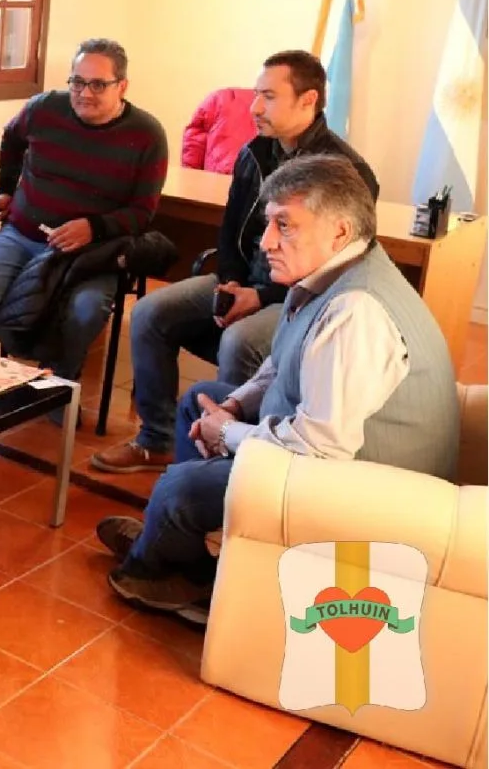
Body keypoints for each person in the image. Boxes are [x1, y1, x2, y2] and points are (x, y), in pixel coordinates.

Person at [96, 154, 459, 617]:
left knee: (179, 488)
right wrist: (230, 404)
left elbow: (321, 448)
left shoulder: (356, 312)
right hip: (336, 456)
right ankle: (187, 551)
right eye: (269, 224)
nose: (265, 242)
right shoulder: (330, 270)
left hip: (368, 495)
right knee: (196, 403)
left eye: (284, 226)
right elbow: (279, 361)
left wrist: (226, 433)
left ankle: (156, 566)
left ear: (340, 232)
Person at [92, 50, 379, 474]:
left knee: (240, 340)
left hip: (298, 298)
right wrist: (229, 280)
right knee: (151, 311)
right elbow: (229, 230)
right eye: (256, 94)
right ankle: (157, 439)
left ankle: (230, 462)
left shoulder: (344, 172)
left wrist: (259, 296)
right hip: (245, 282)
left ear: (308, 100)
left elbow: (331, 269)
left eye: (268, 96)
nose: (254, 107)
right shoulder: (255, 153)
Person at [0, 38, 168, 398]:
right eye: (77, 82)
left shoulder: (147, 135)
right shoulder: (44, 109)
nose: (84, 93)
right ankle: (41, 354)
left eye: (98, 84)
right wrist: (7, 188)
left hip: (90, 253)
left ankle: (60, 383)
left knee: (86, 313)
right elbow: (11, 138)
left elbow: (142, 212)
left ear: (123, 86)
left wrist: (93, 228)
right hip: (24, 233)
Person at [179, 87, 255, 174]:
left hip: (217, 178)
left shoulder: (223, 98)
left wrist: (191, 175)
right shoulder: (222, 98)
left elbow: (195, 140)